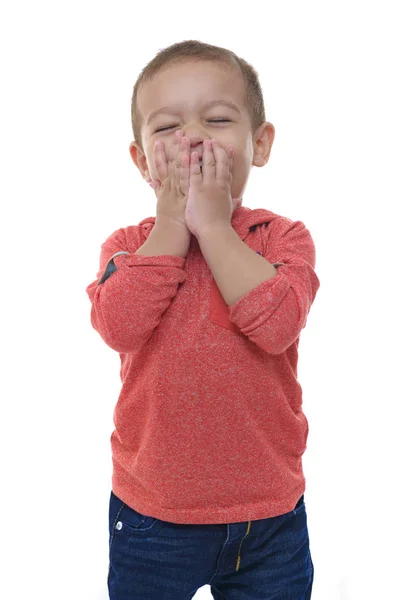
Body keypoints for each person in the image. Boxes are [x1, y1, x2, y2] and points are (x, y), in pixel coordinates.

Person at [86, 39, 320, 600]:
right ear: (142, 160)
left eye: (216, 119)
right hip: (153, 518)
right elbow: (117, 324)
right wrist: (172, 226)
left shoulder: (281, 239)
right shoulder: (128, 246)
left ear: (258, 144)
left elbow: (278, 323)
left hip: (269, 520)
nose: (191, 138)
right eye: (167, 128)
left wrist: (214, 228)